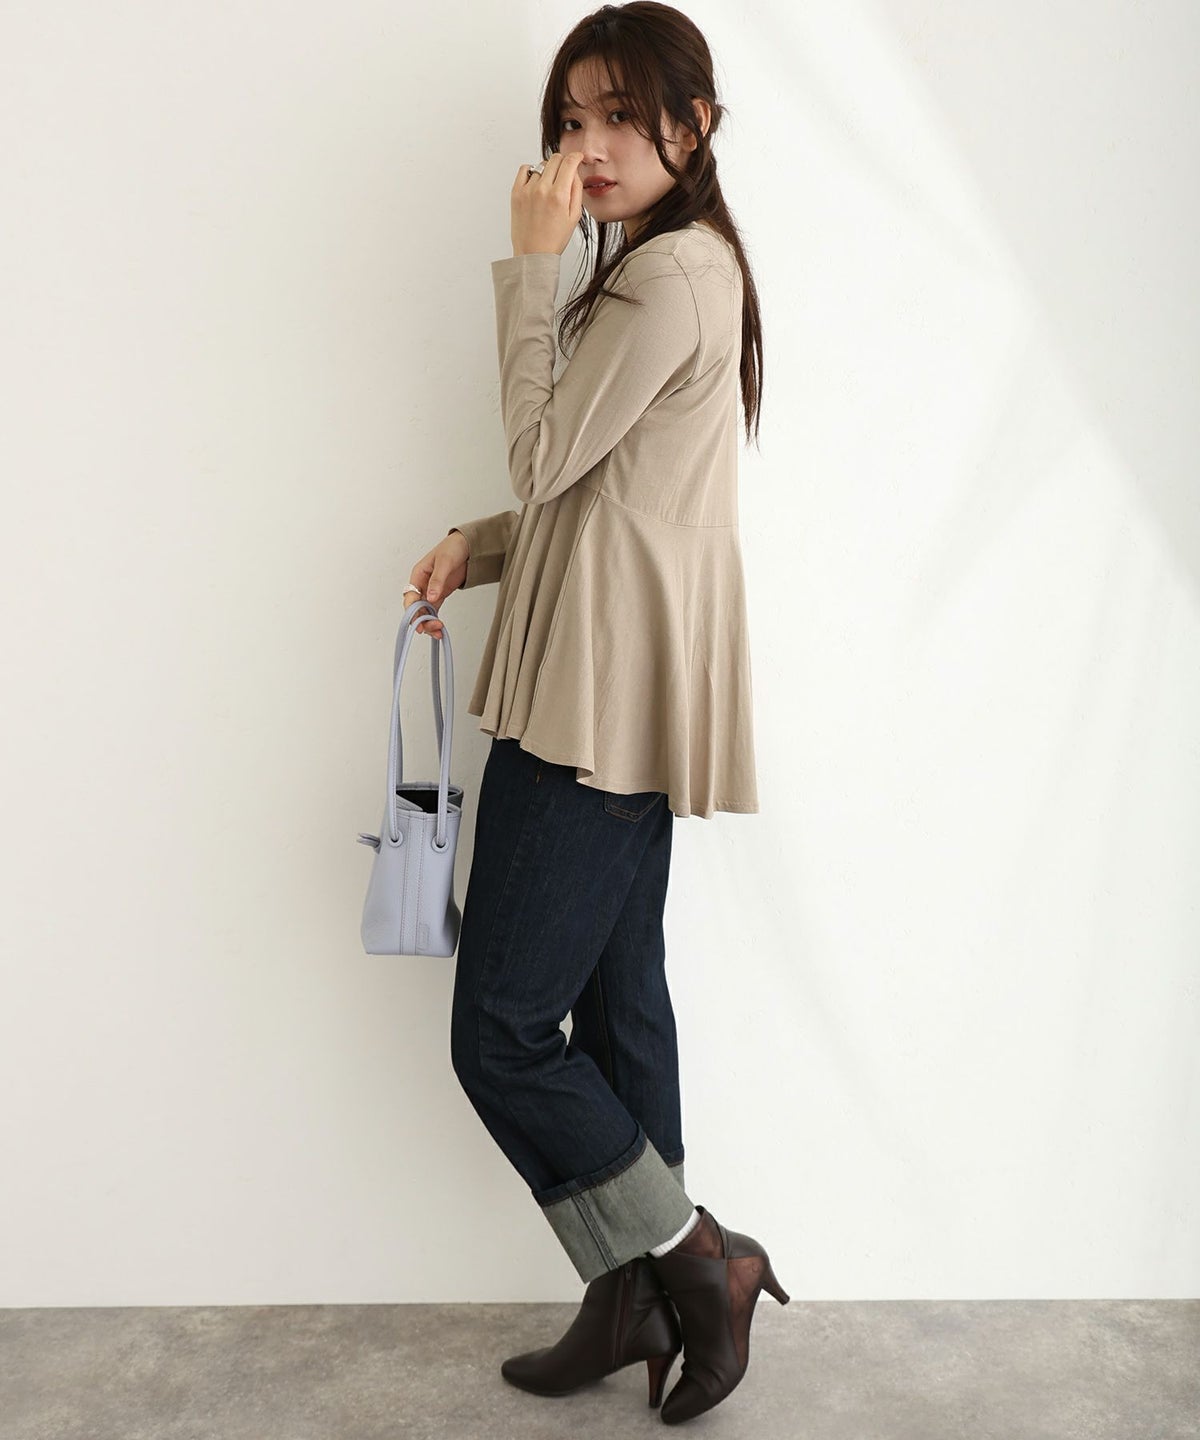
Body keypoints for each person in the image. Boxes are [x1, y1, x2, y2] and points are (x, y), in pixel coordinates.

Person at [403, 3, 786, 1425]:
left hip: (591, 700)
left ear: (696, 124)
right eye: (572, 120)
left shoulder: (668, 273)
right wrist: (484, 543)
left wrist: (529, 266)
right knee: (621, 1010)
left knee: (502, 1034)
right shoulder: (677, 266)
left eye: (623, 115)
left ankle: (697, 1261)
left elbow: (548, 447)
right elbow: (599, 492)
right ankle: (637, 1300)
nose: (591, 146)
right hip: (613, 687)